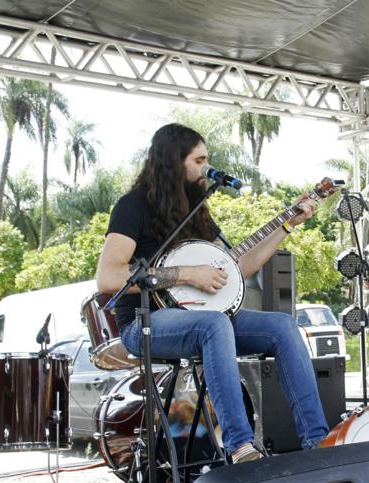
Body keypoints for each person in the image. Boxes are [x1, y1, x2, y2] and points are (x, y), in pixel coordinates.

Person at [96, 123, 329, 465]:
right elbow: (108, 276)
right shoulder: (133, 206)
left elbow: (239, 265)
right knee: (215, 324)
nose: (207, 167)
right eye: (199, 160)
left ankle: (319, 441)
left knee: (282, 326)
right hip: (144, 323)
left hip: (200, 320)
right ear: (173, 162)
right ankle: (241, 447)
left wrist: (286, 225)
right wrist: (187, 273)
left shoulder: (197, 211)